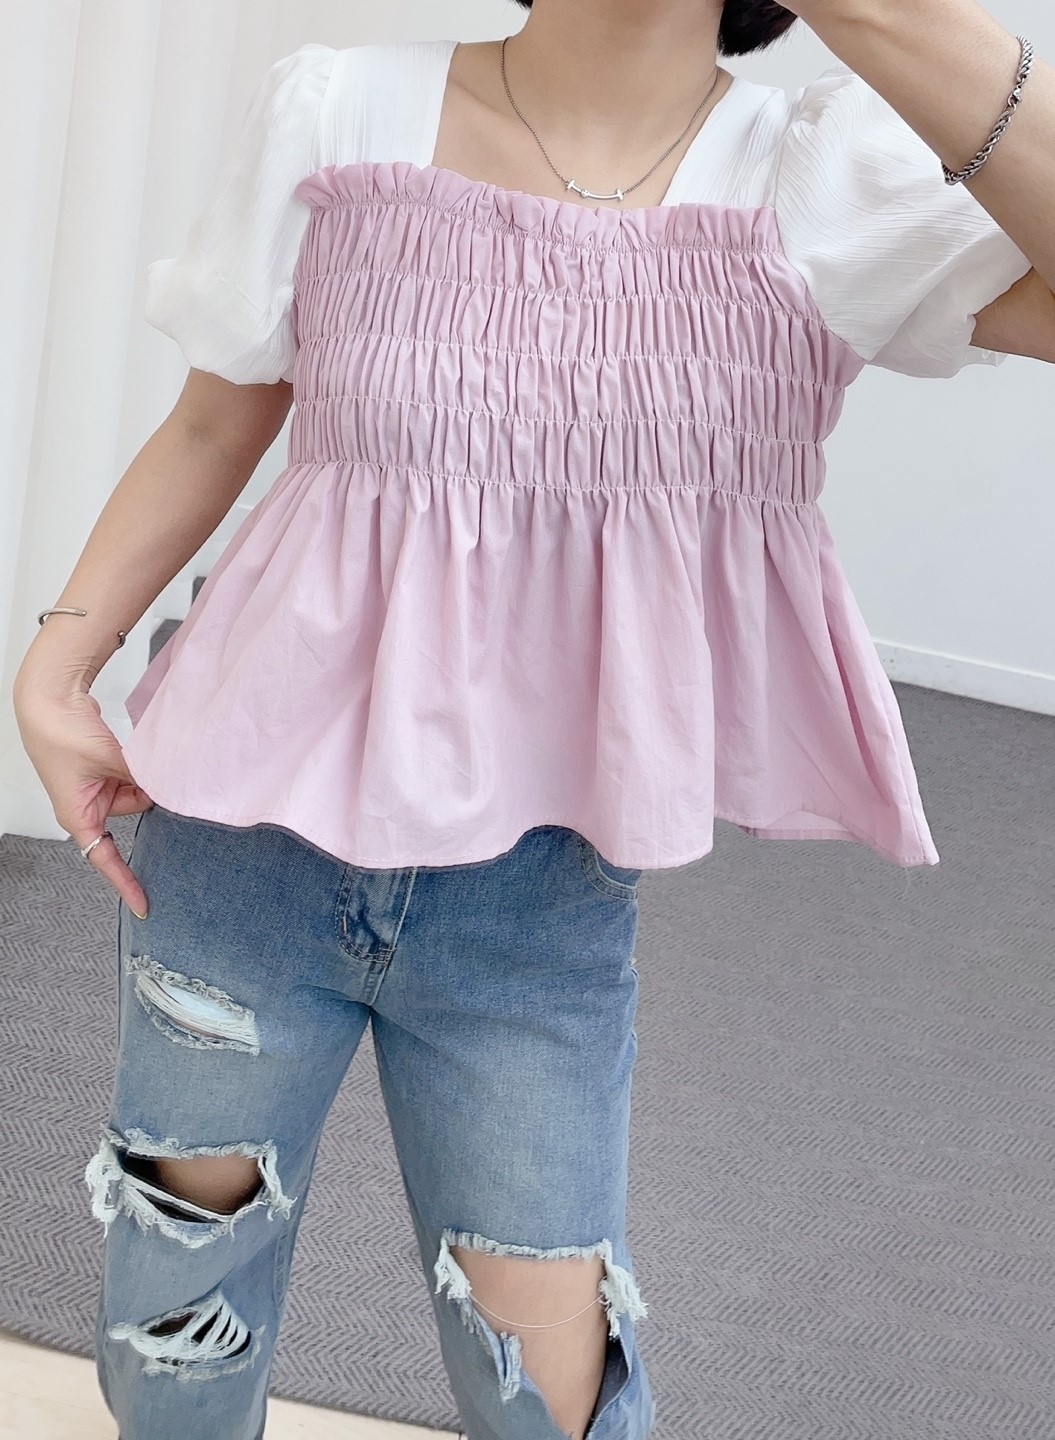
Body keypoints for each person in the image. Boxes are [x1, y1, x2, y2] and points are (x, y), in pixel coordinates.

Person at [12, 0, 1048, 1436]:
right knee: (175, 1335)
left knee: (551, 1400)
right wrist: (58, 664)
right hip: (238, 849)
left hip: (534, 909)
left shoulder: (818, 179)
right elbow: (215, 416)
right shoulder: (341, 109)